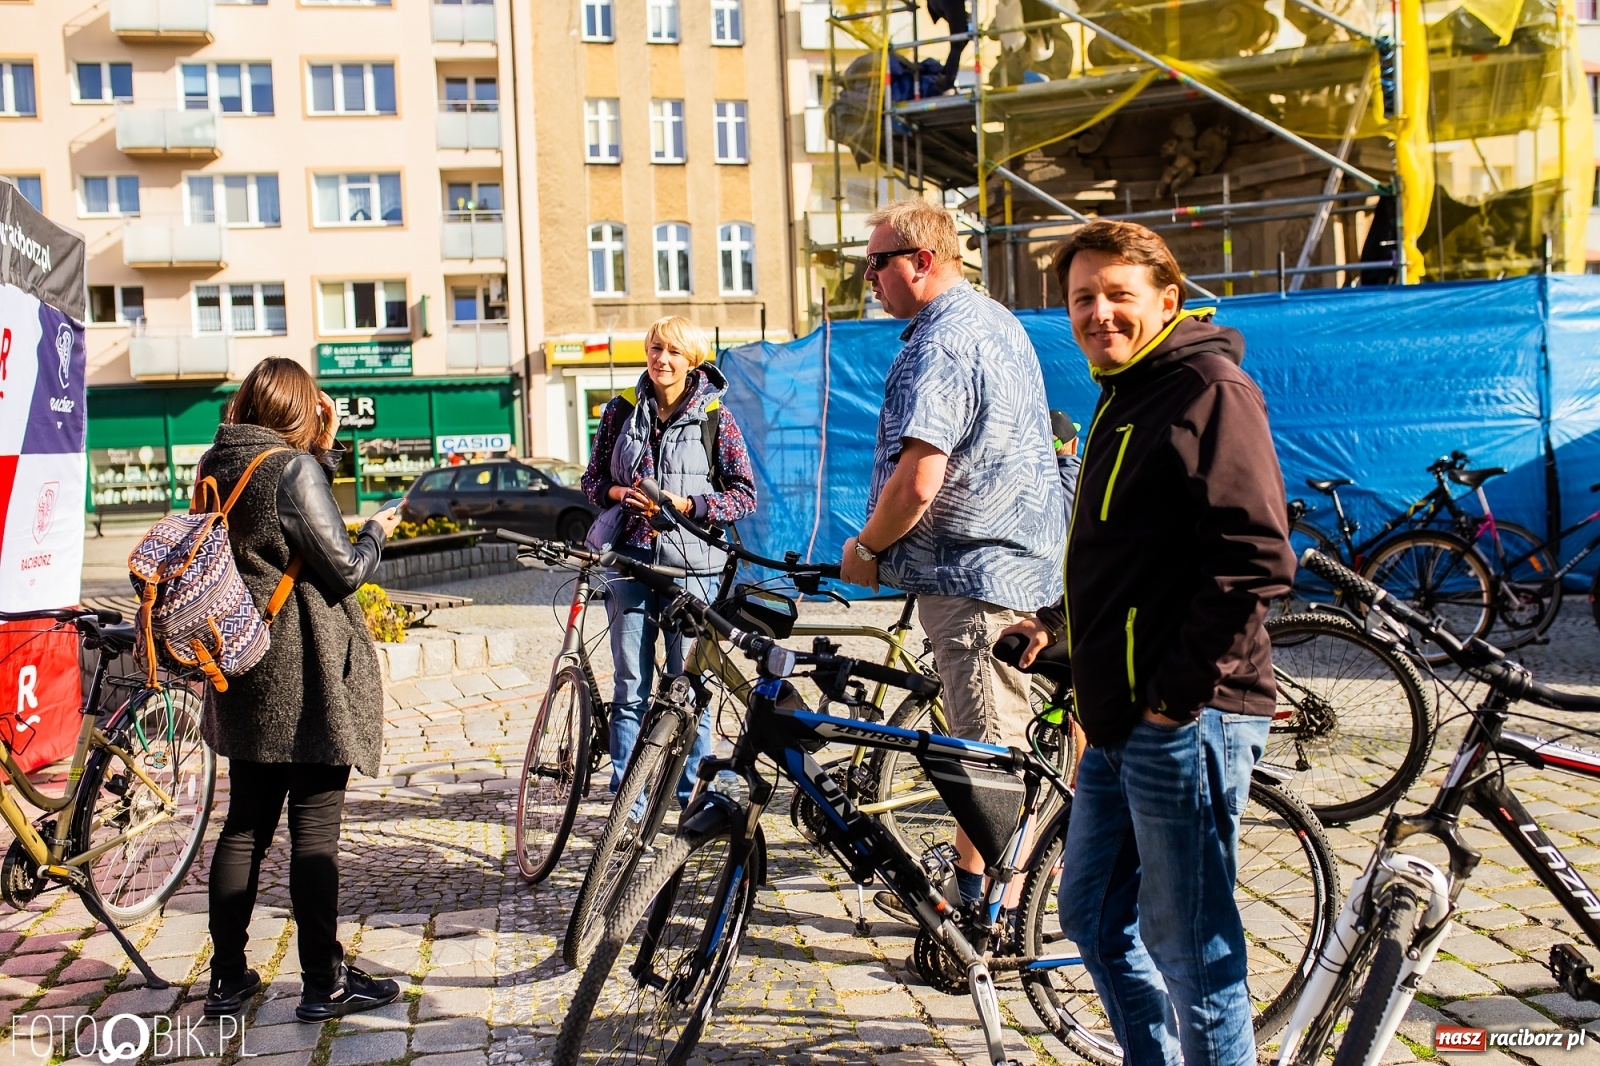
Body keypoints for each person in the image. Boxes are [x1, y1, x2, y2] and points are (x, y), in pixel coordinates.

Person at [1002, 220, 1293, 1066]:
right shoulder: (1125, 392)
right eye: (1082, 298)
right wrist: (1056, 626)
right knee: (1089, 913)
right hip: (1120, 721)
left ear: (1166, 301)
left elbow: (1255, 560)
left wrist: (1174, 699)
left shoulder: (1208, 387)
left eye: (1118, 296)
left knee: (1192, 951)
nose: (1099, 313)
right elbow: (1122, 553)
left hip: (1185, 719)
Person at [838, 199, 1065, 914]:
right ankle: (987, 893)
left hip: (973, 574)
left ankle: (990, 923)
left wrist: (867, 547)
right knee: (990, 744)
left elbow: (919, 480)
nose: (868, 277)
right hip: (1020, 562)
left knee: (992, 762)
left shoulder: (941, 341)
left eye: (877, 262)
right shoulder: (995, 319)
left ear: (922, 261)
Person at [200, 357, 405, 1022]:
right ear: (297, 410)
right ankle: (324, 985)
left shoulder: (217, 461)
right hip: (304, 669)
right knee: (314, 833)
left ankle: (227, 980)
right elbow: (342, 566)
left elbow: (292, 513)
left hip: (242, 662)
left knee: (245, 829)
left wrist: (326, 442)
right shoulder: (292, 469)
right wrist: (376, 532)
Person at [582, 316, 757, 805]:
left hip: (692, 569)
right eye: (656, 348)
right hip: (629, 561)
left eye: (674, 351)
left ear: (692, 360)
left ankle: (691, 796)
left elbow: (744, 496)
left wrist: (689, 505)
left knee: (689, 689)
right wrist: (620, 492)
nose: (663, 359)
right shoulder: (620, 414)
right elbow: (592, 482)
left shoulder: (716, 418)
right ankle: (628, 804)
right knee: (630, 684)